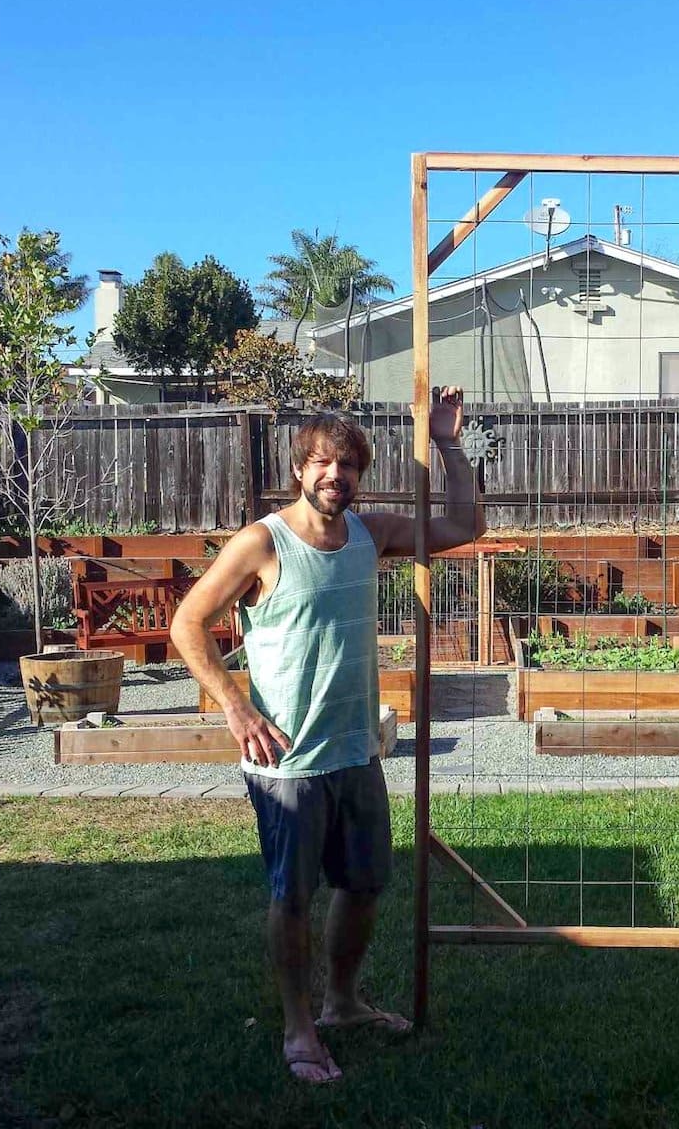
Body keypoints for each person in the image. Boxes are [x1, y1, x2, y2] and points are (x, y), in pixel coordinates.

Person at [171, 391, 484, 1084]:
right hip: (288, 761)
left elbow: (466, 523)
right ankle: (298, 1028)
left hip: (356, 749)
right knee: (293, 897)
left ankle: (342, 1003)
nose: (334, 475)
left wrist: (447, 442)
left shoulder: (371, 534)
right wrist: (234, 707)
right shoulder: (262, 543)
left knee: (364, 884)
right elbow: (187, 624)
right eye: (321, 463)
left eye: (347, 465)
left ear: (359, 475)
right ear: (299, 470)